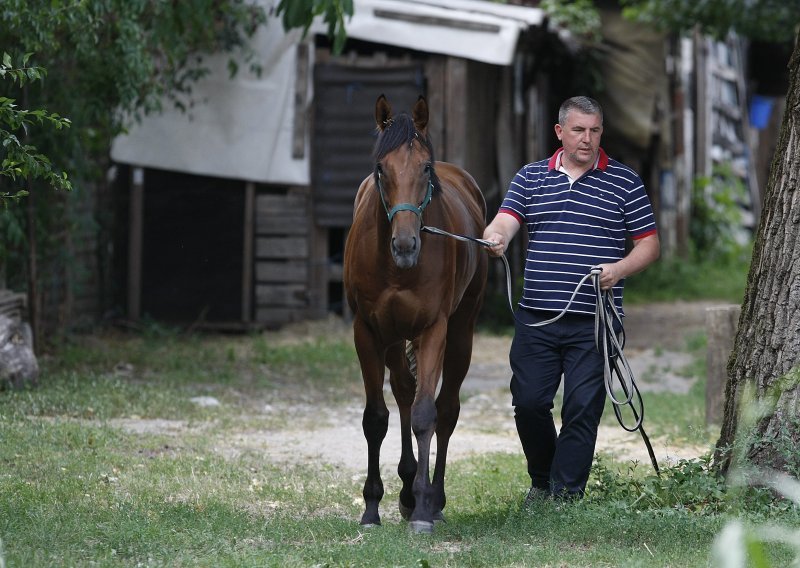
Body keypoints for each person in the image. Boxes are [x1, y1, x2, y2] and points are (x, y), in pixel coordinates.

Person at [482, 96, 660, 502]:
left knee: (581, 409)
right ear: (560, 132)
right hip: (536, 319)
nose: (587, 138)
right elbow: (506, 221)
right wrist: (496, 238)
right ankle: (542, 481)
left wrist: (618, 270)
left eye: (595, 130)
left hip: (595, 322)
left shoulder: (624, 181)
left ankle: (565, 494)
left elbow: (649, 246)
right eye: (579, 130)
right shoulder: (529, 178)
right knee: (528, 403)